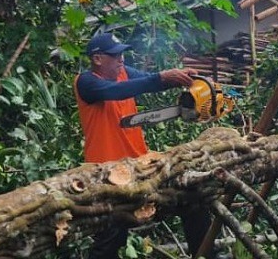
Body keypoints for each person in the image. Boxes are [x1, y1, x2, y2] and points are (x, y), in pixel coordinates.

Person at [73, 31, 213, 259]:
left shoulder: (124, 73)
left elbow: (147, 81)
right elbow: (119, 91)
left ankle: (207, 255)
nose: (121, 60)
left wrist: (177, 79)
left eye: (122, 55)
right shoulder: (86, 82)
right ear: (97, 59)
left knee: (192, 199)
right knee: (110, 240)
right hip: (106, 174)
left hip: (141, 166)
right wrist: (160, 77)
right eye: (115, 56)